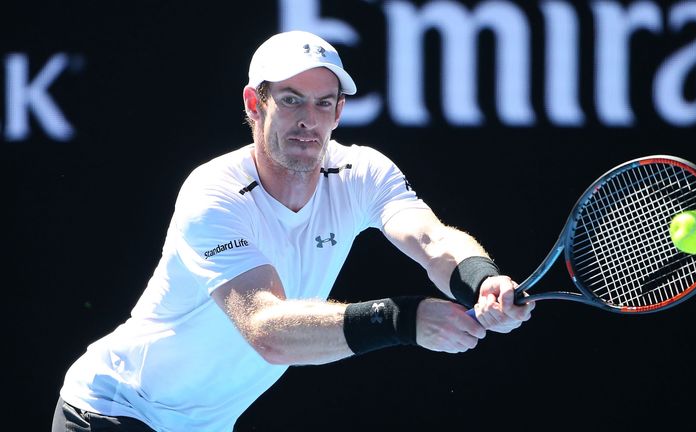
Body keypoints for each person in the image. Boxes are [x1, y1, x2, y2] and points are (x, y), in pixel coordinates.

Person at [52, 30, 535, 432]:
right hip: (114, 411)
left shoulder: (362, 172)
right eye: (290, 100)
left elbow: (432, 241)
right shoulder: (212, 194)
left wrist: (480, 278)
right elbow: (267, 331)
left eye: (324, 103)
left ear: (339, 112)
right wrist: (403, 320)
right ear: (254, 104)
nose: (309, 119)